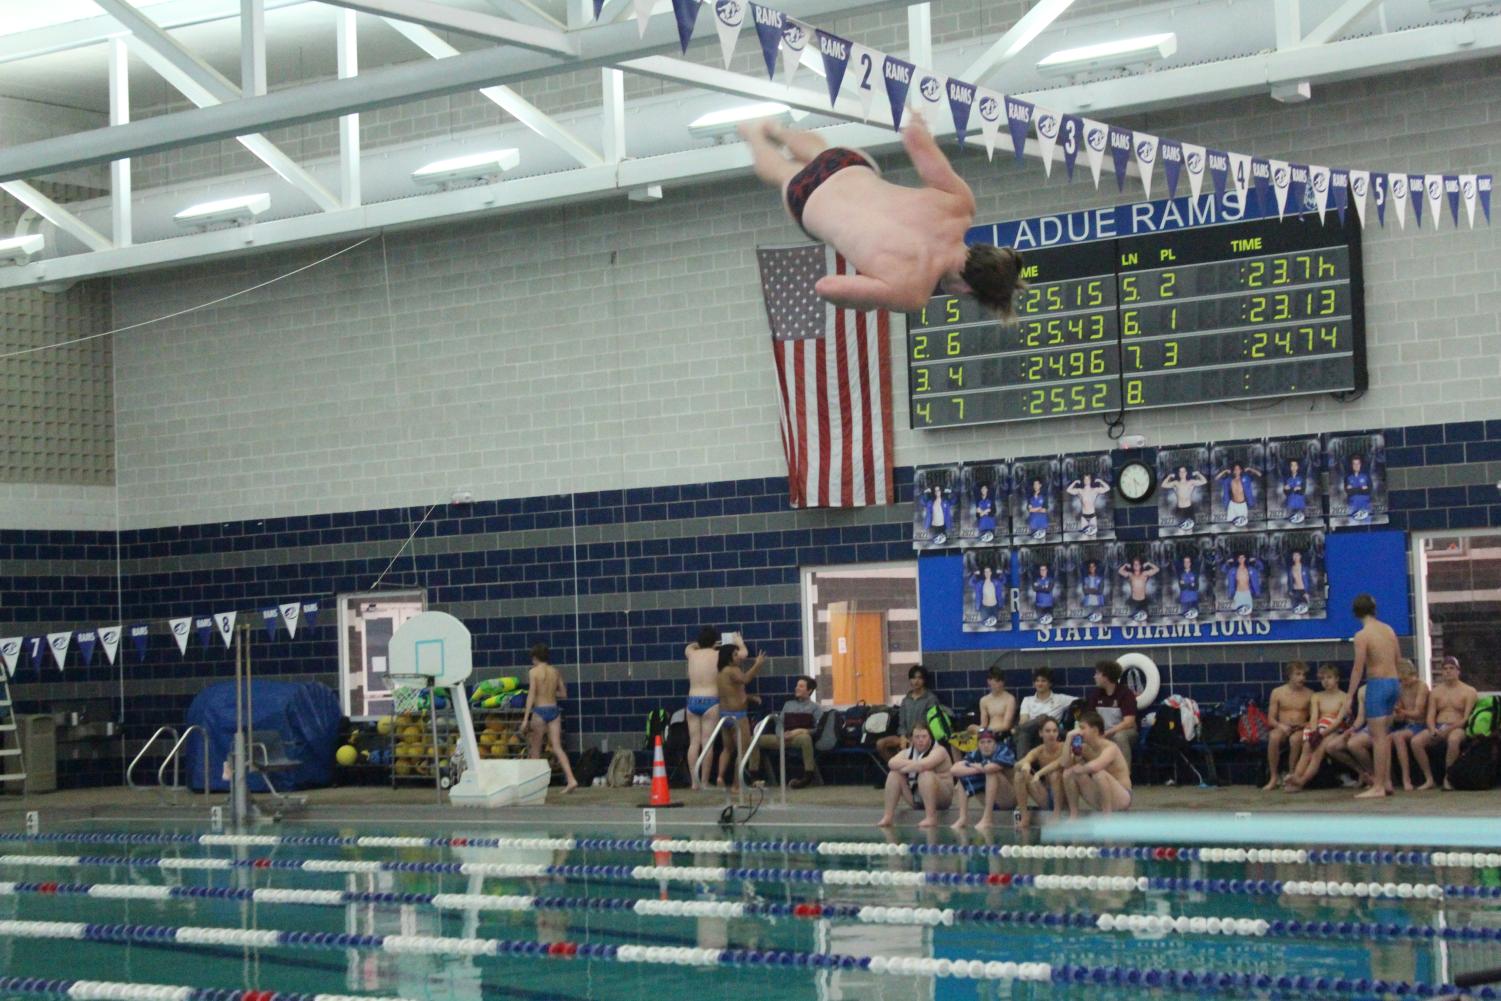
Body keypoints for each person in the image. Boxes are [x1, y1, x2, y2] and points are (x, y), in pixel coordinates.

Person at [740, 113, 1026, 315]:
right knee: (782, 172)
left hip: (848, 163)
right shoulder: (912, 292)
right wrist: (864, 302)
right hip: (810, 201)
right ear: (965, 289)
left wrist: (918, 118)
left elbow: (913, 136)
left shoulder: (960, 205)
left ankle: (776, 129)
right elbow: (827, 287)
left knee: (820, 153)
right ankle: (753, 135)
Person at [1342, 593, 1400, 800]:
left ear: (1355, 613)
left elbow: (1358, 668)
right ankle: (1387, 782)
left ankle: (1378, 786)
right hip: (1394, 684)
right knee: (1383, 736)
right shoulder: (1389, 630)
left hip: (1377, 685)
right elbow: (1398, 659)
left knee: (1378, 739)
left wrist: (1349, 697)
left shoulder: (1362, 635)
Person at [1411, 655, 1479, 791]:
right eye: (1445, 669)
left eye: (1451, 668)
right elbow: (1430, 715)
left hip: (1458, 727)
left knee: (1453, 740)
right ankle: (1429, 778)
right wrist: (1432, 729)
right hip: (1438, 726)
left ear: (1458, 671)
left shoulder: (1469, 691)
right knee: (1416, 741)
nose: (1448, 671)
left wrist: (1448, 730)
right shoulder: (1436, 692)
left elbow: (1466, 718)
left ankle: (1448, 778)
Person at [521, 643, 578, 793]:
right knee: (557, 747)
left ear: (534, 658)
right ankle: (571, 779)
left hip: (539, 711)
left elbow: (532, 695)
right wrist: (550, 694)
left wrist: (526, 718)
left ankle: (535, 787)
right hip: (554, 710)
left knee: (535, 751)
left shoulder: (533, 672)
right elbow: (563, 693)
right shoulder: (555, 672)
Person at [750, 675, 823, 789]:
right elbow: (779, 722)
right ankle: (754, 777)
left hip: (798, 738)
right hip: (783, 737)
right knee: (754, 740)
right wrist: (781, 734)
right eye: (797, 685)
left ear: (809, 690)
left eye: (801, 686)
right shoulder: (788, 704)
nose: (796, 688)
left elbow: (819, 729)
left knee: (806, 738)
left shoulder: (815, 708)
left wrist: (801, 731)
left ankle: (808, 776)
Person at [1284, 664, 1349, 791]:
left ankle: (1301, 782)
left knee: (1318, 752)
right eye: (1322, 678)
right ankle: (1295, 777)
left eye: (1329, 677)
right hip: (1318, 728)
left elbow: (1338, 721)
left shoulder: (1344, 697)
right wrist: (1314, 732)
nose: (1325, 681)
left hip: (1334, 730)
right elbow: (1314, 717)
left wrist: (1322, 734)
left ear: (1337, 679)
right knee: (1307, 747)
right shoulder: (1317, 696)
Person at [877, 724, 954, 829]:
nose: (920, 740)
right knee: (894, 774)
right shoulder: (909, 752)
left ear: (930, 737)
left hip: (941, 798)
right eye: (917, 737)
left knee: (925, 774)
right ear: (911, 739)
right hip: (916, 797)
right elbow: (891, 763)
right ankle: (888, 816)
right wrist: (912, 766)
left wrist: (905, 767)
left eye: (924, 736)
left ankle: (931, 817)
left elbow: (923, 765)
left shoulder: (939, 751)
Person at [1062, 710, 1133, 818]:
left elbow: (1096, 766)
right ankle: (1073, 815)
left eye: (1082, 728)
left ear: (1094, 730)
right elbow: (1065, 764)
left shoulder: (1110, 747)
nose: (1078, 732)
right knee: (1068, 773)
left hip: (1122, 797)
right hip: (1101, 796)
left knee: (1098, 773)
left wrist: (1079, 768)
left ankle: (1107, 816)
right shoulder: (1084, 747)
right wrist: (1068, 739)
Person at [716, 643, 767, 791]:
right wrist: (757, 665)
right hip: (738, 716)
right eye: (735, 655)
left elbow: (733, 692)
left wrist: (750, 697)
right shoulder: (733, 670)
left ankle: (720, 776)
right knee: (743, 750)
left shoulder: (721, 672)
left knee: (727, 749)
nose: (739, 657)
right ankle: (736, 785)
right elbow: (745, 679)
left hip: (724, 716)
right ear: (728, 657)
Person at [684, 627, 729, 789]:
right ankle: (704, 781)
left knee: (693, 743)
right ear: (714, 641)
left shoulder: (692, 654)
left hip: (692, 700)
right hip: (711, 700)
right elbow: (741, 654)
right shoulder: (718, 655)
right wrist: (717, 645)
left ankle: (694, 783)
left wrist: (700, 643)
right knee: (707, 743)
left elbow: (689, 647)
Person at [950, 729, 1016, 830]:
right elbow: (954, 770)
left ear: (995, 743)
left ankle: (987, 819)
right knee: (962, 778)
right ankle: (962, 817)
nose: (986, 745)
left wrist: (972, 766)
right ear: (978, 744)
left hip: (1008, 799)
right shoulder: (976, 753)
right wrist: (976, 766)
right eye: (982, 742)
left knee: (991, 774)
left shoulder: (1003, 750)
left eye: (989, 742)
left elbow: (990, 768)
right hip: (991, 800)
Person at [1263, 660, 1313, 790]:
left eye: (1304, 675)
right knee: (1273, 737)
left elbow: (1313, 720)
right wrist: (1281, 726)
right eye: (1298, 674)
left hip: (1300, 728)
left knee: (1295, 739)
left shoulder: (1310, 694)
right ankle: (1273, 776)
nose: (1302, 678)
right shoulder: (1277, 692)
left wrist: (1303, 725)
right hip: (1282, 726)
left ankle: (1292, 774)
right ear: (1289, 675)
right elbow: (1270, 719)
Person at [876, 665, 943, 763]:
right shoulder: (906, 700)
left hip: (922, 737)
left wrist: (915, 737)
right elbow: (902, 722)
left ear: (924, 680)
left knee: (912, 747)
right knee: (880, 744)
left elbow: (930, 723)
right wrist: (902, 736)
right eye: (913, 678)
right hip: (906, 737)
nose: (916, 681)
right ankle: (896, 768)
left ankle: (908, 771)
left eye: (919, 678)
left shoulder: (931, 699)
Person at [1013, 717, 1068, 831]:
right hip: (1046, 797)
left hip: (1064, 799)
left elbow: (1059, 763)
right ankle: (1024, 817)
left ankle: (1056, 815)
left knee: (1055, 775)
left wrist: (1039, 773)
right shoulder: (1039, 750)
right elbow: (1017, 764)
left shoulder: (1064, 747)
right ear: (1040, 733)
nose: (1051, 734)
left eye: (1054, 731)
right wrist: (1026, 764)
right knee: (1019, 775)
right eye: (1048, 731)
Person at [1083, 660, 1138, 766]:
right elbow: (1089, 718)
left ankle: (1125, 775)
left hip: (1125, 731)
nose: (1094, 676)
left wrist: (1107, 733)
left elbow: (1129, 722)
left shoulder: (1125, 694)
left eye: (1097, 673)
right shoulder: (1096, 694)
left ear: (1106, 677)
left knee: (1119, 737)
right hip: (1103, 731)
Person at [1014, 666, 1075, 759]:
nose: (1040, 683)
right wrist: (1036, 722)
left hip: (1052, 732)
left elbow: (1081, 702)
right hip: (1032, 734)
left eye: (1043, 681)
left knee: (1043, 718)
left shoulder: (1060, 699)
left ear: (1050, 683)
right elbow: (1024, 721)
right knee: (1024, 732)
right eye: (1037, 681)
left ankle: (1022, 763)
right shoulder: (1027, 700)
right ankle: (1024, 765)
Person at [1390, 658, 1430, 792]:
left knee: (1400, 737)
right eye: (1401, 680)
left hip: (1422, 724)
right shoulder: (1401, 688)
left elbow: (1418, 713)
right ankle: (1394, 778)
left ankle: (1417, 778)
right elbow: (1400, 715)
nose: (1404, 683)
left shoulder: (1421, 686)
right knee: (1386, 739)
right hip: (1409, 724)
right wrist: (1397, 713)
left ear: (1413, 675)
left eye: (1406, 679)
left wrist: (1402, 712)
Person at [1215, 462, 1262, 527]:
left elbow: (1259, 474)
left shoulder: (1246, 478)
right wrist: (1225, 471)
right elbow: (1216, 478)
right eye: (1235, 469)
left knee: (1243, 524)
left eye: (1238, 469)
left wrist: (1249, 469)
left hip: (1242, 505)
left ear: (1241, 470)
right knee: (1231, 525)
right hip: (1232, 505)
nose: (1237, 471)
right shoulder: (1229, 480)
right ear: (1233, 471)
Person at [1162, 465, 1208, 531]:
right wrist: (1169, 476)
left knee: (1190, 529)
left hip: (1189, 508)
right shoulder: (1176, 483)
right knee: (1180, 530)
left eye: (1183, 471)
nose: (1182, 473)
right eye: (1180, 472)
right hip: (1179, 509)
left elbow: (1204, 481)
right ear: (1178, 473)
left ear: (1186, 473)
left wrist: (1198, 474)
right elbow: (1163, 485)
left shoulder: (1191, 482)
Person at [975, 665, 1017, 737]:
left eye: (1001, 681)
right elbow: (984, 724)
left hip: (1002, 734)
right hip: (987, 734)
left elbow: (1006, 725)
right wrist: (974, 728)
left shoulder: (1010, 699)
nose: (999, 684)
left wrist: (987, 731)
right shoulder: (984, 700)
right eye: (996, 681)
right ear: (989, 681)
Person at [1118, 557, 1159, 622]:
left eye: (1138, 564)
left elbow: (1157, 569)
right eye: (1135, 564)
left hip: (1143, 601)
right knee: (1133, 621)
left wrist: (1149, 564)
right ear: (1133, 566)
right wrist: (1125, 565)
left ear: (1140, 565)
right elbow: (1120, 571)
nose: (1136, 566)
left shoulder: (1144, 574)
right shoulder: (1130, 575)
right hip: (1134, 601)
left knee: (1145, 620)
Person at [970, 563, 1004, 628]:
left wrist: (1001, 573)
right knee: (985, 626)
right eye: (985, 571)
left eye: (988, 571)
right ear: (984, 573)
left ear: (991, 572)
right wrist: (974, 574)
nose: (987, 573)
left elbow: (1003, 580)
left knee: (995, 627)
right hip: (984, 608)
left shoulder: (996, 582)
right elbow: (971, 582)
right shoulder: (980, 584)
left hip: (995, 607)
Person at [1344, 455, 1373, 521]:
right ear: (1352, 465)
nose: (1356, 466)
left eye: (1358, 464)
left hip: (1365, 506)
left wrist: (1353, 489)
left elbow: (1369, 490)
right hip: (1353, 506)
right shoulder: (1348, 477)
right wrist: (1361, 489)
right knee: (1352, 525)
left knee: (1367, 525)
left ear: (1360, 465)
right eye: (1354, 464)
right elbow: (1348, 492)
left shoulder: (1366, 476)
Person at [1282, 457, 1308, 524]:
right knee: (1290, 523)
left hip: (1300, 505)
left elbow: (1303, 490)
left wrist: (1291, 488)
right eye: (1292, 465)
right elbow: (1285, 491)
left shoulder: (1301, 478)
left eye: (1295, 465)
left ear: (1298, 467)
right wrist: (1294, 488)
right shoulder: (1287, 478)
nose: (1293, 467)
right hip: (1290, 505)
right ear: (1290, 467)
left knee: (1302, 524)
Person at [1175, 554, 1202, 620]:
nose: (1186, 563)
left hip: (1193, 599)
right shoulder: (1180, 573)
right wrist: (1190, 584)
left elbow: (1195, 587)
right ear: (1183, 563)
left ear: (1190, 563)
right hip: (1184, 600)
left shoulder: (1195, 573)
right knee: (1185, 619)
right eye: (1185, 562)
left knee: (1195, 619)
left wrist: (1186, 584)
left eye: (1188, 562)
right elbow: (1182, 587)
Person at [1080, 559, 1106, 623]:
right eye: (1090, 567)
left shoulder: (1100, 578)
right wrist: (1094, 590)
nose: (1091, 568)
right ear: (1088, 568)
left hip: (1098, 604)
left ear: (1095, 567)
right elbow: (1085, 592)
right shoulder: (1085, 579)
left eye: (1093, 566)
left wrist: (1090, 590)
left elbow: (1100, 591)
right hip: (1088, 604)